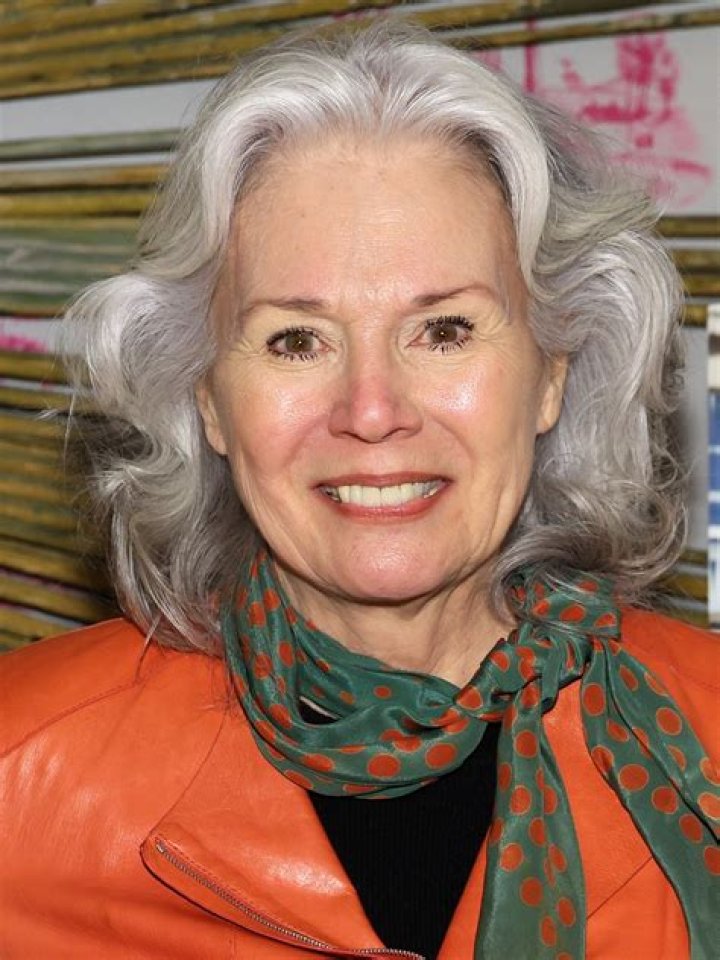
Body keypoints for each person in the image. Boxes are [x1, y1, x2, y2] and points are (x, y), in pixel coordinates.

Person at [1, 22, 718, 960]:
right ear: (208, 398)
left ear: (552, 373)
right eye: (297, 340)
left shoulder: (706, 736)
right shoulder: (20, 779)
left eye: (445, 330)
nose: (372, 411)